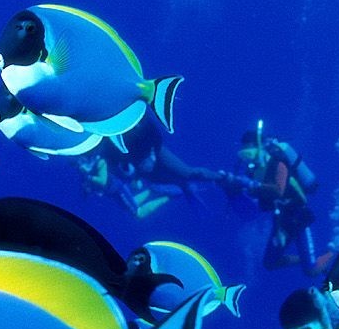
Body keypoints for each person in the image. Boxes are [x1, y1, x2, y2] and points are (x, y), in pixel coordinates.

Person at [77, 117, 227, 219]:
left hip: (155, 152)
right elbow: (115, 162)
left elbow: (154, 133)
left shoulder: (135, 120)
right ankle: (184, 189)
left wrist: (152, 153)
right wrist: (134, 175)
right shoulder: (106, 140)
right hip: (140, 166)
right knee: (169, 182)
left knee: (188, 173)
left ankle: (222, 177)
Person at [227, 124, 320, 274]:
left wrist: (250, 184)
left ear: (259, 147)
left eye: (249, 152)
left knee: (311, 270)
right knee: (270, 262)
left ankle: (334, 250)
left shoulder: (277, 161)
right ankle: (307, 259)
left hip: (298, 216)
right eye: (244, 155)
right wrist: (233, 189)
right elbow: (255, 202)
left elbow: (279, 191)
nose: (248, 159)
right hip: (281, 219)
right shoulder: (254, 171)